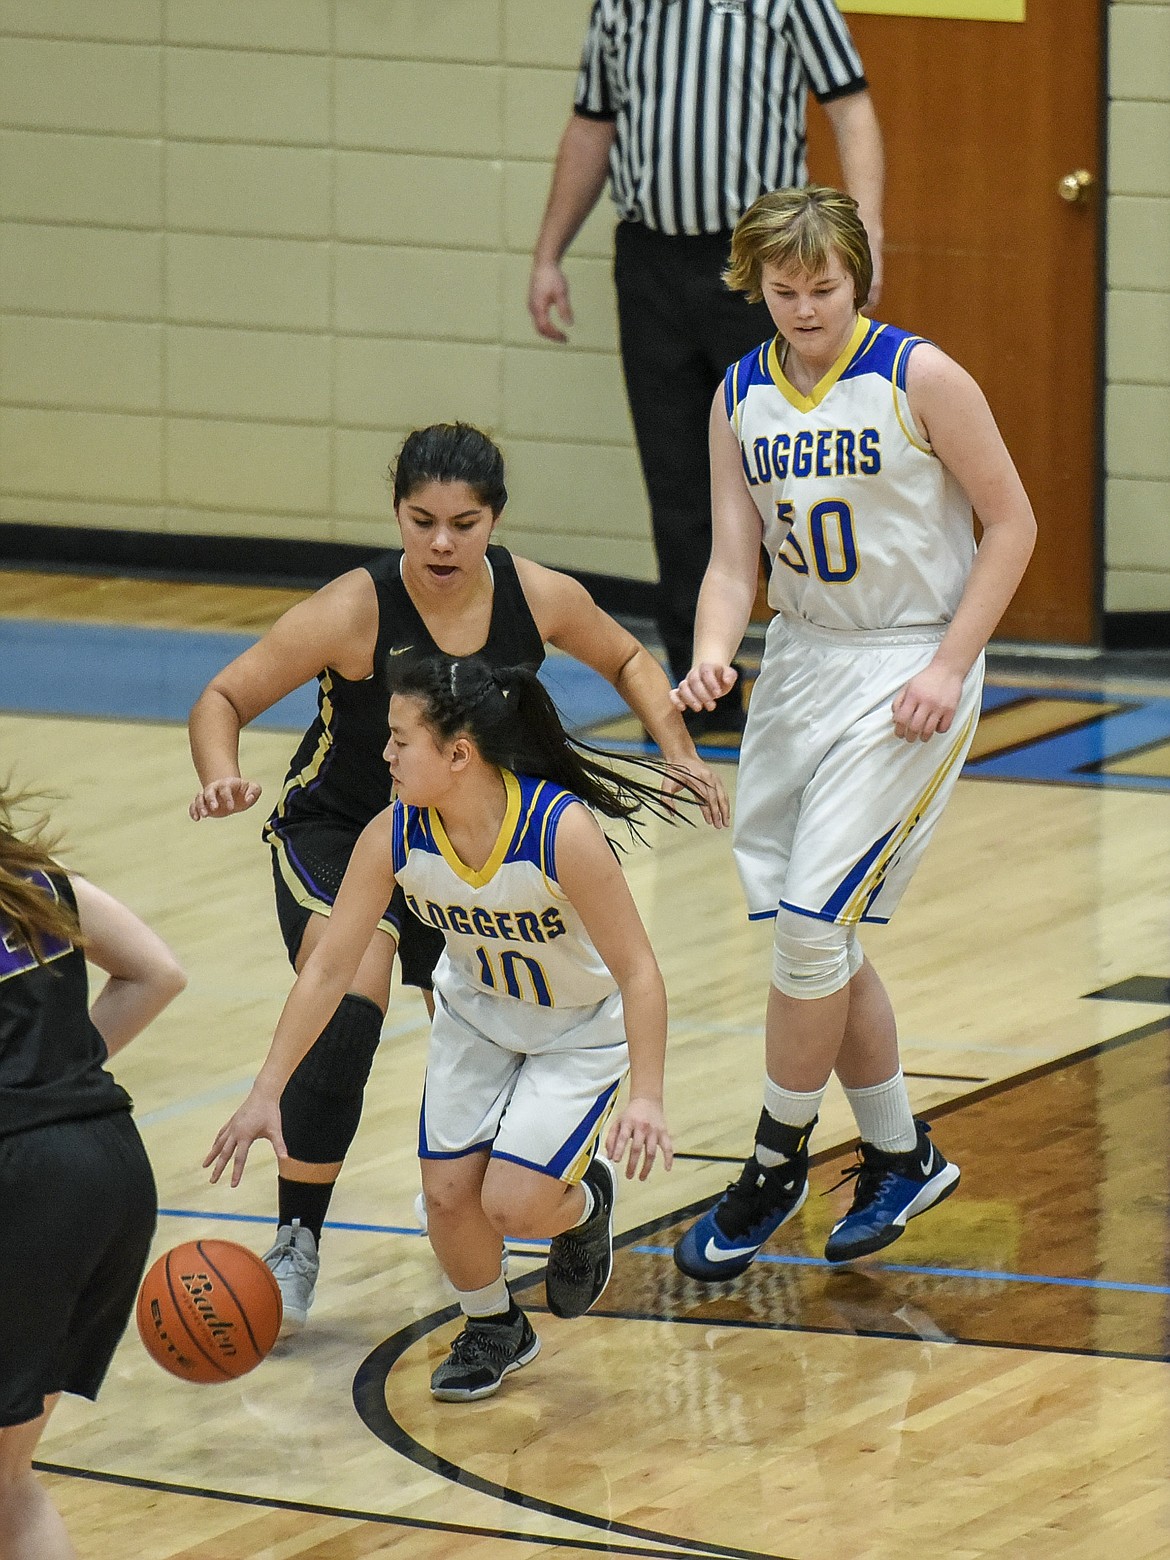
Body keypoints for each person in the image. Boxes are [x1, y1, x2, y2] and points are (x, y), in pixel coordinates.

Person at [187, 422, 726, 1332]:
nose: (441, 542)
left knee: (489, 1033)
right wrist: (219, 774)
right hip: (348, 829)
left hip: (470, 839)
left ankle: (560, 1186)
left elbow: (629, 657)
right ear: (396, 513)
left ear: (495, 522)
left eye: (464, 523)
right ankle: (297, 1238)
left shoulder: (536, 595)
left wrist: (677, 749)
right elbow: (223, 696)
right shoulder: (355, 608)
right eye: (421, 519)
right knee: (347, 1001)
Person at [671, 185, 1036, 1280]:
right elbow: (735, 558)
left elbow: (1012, 522)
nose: (805, 309)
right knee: (823, 936)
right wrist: (712, 649)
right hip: (803, 666)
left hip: (907, 664)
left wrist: (948, 665)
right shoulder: (740, 394)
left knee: (808, 920)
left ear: (857, 278)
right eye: (784, 292)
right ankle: (899, 1151)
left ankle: (775, 1160)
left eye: (823, 288)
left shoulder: (918, 376)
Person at [206, 654, 680, 1401]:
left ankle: (587, 1202)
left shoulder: (559, 831)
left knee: (514, 1205)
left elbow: (641, 972)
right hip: (476, 1020)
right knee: (450, 1199)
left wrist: (647, 1096)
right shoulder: (392, 835)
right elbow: (330, 969)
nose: (384, 754)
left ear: (458, 755)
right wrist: (267, 1090)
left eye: (400, 740)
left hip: (576, 1029)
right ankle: (494, 1325)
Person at [528, 0, 884, 731]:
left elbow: (850, 108)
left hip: (757, 263)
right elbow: (592, 124)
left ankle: (836, 667)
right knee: (678, 482)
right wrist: (548, 254)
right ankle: (705, 687)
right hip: (650, 260)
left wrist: (864, 236)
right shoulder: (620, 7)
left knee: (799, 470)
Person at [0, 789, 185, 1560]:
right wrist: (62, 1077)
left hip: (26, 1183)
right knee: (8, 1481)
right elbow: (157, 973)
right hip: (110, 1166)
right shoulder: (38, 883)